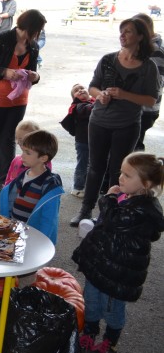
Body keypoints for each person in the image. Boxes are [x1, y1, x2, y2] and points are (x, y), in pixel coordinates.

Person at [72, 153, 164, 353]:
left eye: (127, 175)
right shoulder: (128, 197)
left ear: (146, 184)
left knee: (112, 308)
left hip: (118, 272)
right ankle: (89, 332)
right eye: (121, 172)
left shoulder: (142, 210)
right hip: (102, 262)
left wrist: (109, 198)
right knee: (92, 300)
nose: (120, 178)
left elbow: (114, 220)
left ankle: (110, 341)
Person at [70, 17, 160, 227]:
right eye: (121, 31)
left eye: (128, 31)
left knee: (119, 171)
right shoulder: (108, 59)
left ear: (140, 36)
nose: (122, 35)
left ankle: (110, 213)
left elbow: (151, 100)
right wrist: (100, 95)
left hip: (127, 125)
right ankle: (85, 210)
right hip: (99, 120)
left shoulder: (148, 67)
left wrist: (124, 94)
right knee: (95, 167)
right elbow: (93, 86)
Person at [0, 8, 46, 189]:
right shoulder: (0, 40)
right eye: (38, 30)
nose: (39, 35)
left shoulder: (33, 46)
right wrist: (4, 72)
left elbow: (33, 73)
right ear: (30, 28)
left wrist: (35, 77)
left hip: (17, 101)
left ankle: (4, 181)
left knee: (9, 139)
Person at [0, 130, 63, 244]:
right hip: (15, 232)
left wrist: (41, 241)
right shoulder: (23, 175)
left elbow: (49, 220)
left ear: (43, 158)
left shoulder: (49, 186)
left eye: (28, 153)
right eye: (23, 151)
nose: (22, 155)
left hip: (33, 236)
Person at [132, 13, 164, 151]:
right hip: (140, 107)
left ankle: (136, 172)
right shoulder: (144, 48)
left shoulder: (155, 51)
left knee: (134, 146)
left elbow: (157, 83)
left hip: (145, 109)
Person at [60, 84, 95, 198]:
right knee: (83, 164)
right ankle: (78, 187)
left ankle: (88, 185)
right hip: (83, 142)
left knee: (92, 164)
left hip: (93, 140)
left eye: (82, 88)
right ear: (73, 97)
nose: (80, 90)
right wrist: (100, 102)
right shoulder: (78, 106)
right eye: (76, 90)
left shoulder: (92, 102)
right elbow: (89, 110)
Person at [3, 120, 53, 187]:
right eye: (17, 138)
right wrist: (6, 190)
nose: (18, 142)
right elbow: (9, 178)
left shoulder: (44, 162)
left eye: (22, 140)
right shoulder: (16, 160)